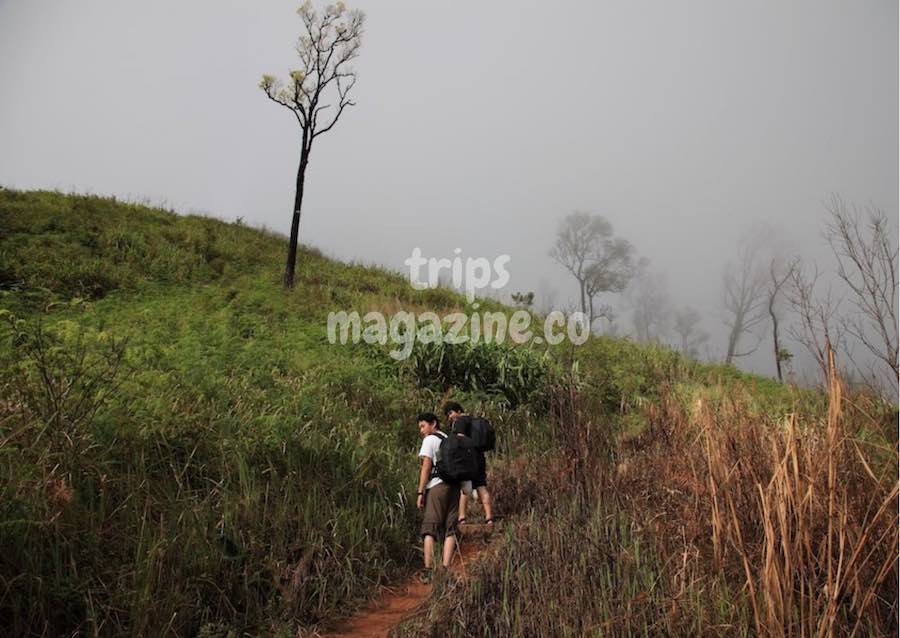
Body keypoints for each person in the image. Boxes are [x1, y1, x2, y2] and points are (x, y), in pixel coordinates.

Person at [415, 412, 458, 583]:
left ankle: (428, 569)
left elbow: (426, 466)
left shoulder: (430, 440)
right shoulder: (449, 439)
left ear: (433, 424)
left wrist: (420, 492)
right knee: (450, 528)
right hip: (454, 486)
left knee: (429, 527)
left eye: (423, 426)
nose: (421, 430)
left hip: (436, 486)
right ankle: (445, 568)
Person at [443, 402, 494, 527]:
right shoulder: (474, 420)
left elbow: (460, 440)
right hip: (480, 456)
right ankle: (489, 518)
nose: (450, 417)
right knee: (481, 486)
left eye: (451, 413)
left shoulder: (460, 421)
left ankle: (462, 518)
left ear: (458, 411)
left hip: (468, 459)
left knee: (465, 488)